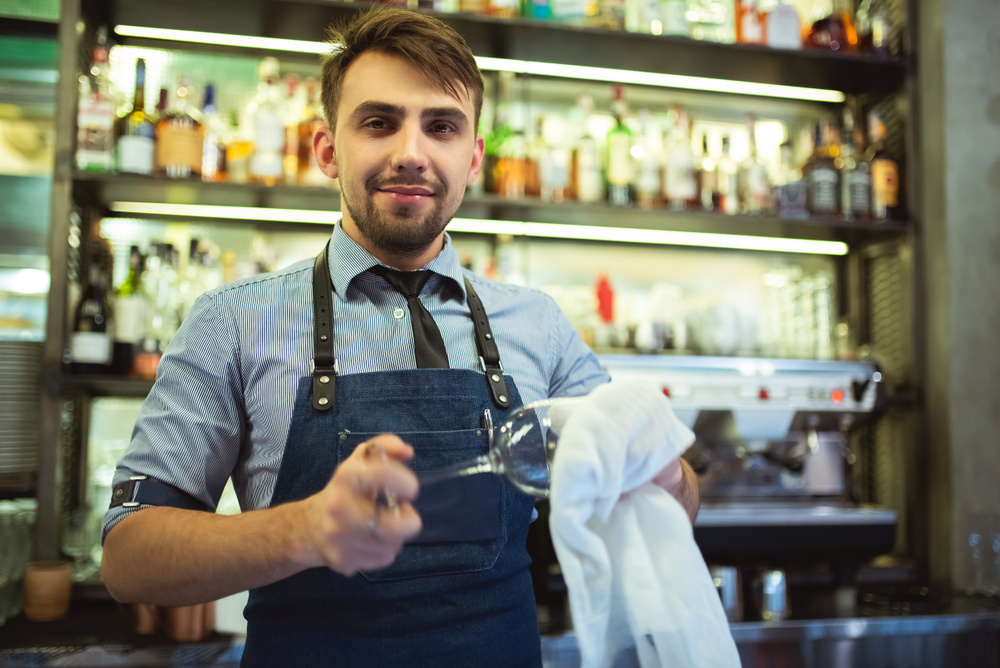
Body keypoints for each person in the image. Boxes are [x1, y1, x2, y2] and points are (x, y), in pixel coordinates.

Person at [100, 8, 699, 667]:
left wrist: (660, 469)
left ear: (473, 158)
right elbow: (129, 558)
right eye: (379, 122)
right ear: (327, 149)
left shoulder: (539, 324)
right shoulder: (232, 323)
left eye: (440, 126)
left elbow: (676, 499)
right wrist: (303, 530)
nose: (411, 152)